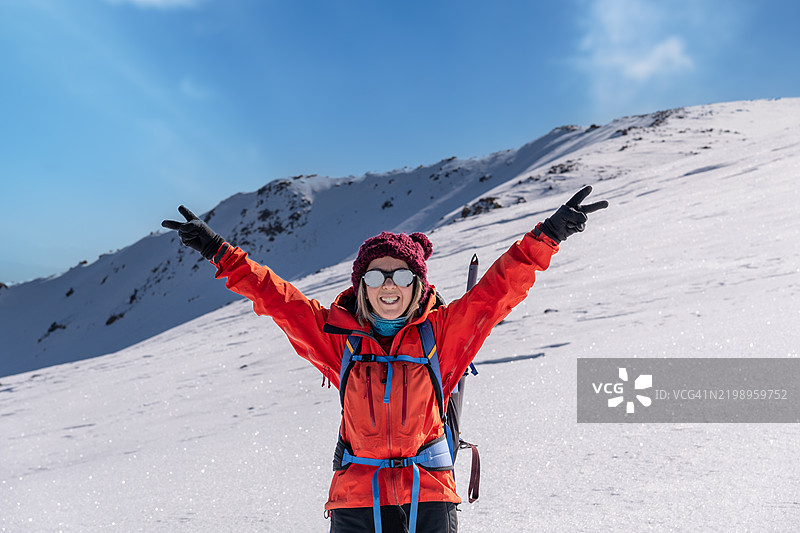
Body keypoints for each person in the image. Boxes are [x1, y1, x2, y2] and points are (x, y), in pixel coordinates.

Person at [162, 186, 607, 533]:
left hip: (429, 493)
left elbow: (497, 292)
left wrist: (546, 238)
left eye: (401, 275)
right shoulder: (338, 339)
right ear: (361, 287)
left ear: (417, 284)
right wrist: (218, 251)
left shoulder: (442, 334)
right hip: (356, 499)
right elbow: (276, 298)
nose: (388, 285)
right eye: (375, 275)